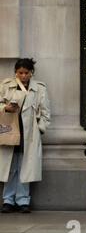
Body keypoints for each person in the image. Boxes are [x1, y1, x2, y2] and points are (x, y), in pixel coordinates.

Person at [0, 58, 51, 213]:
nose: (23, 76)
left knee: (25, 167)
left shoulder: (39, 88)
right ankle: (8, 200)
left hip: (29, 134)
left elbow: (45, 112)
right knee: (10, 168)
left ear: (31, 73)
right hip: (10, 130)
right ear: (16, 72)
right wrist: (5, 108)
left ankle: (23, 201)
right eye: (20, 72)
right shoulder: (6, 85)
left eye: (26, 73)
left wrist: (39, 129)